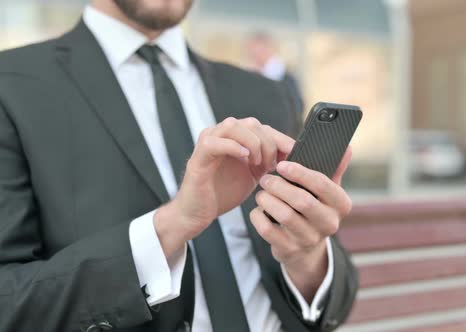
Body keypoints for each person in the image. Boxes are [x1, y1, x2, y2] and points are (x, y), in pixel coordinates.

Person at [0, 1, 358, 332]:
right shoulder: (13, 87)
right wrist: (173, 225)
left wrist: (306, 254)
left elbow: (335, 298)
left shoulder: (264, 94)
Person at [245, 32, 304, 114]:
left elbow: (296, 107)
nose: (255, 55)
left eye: (260, 50)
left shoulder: (286, 77)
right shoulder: (250, 75)